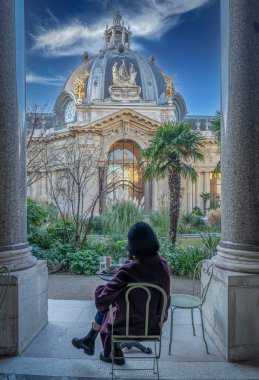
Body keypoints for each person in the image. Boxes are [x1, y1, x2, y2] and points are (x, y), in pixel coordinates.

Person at [72, 222, 171, 365]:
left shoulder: (128, 270)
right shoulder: (163, 265)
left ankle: (107, 350)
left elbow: (101, 300)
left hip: (126, 326)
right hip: (154, 324)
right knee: (116, 300)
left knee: (108, 302)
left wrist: (102, 288)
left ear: (133, 246)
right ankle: (91, 340)